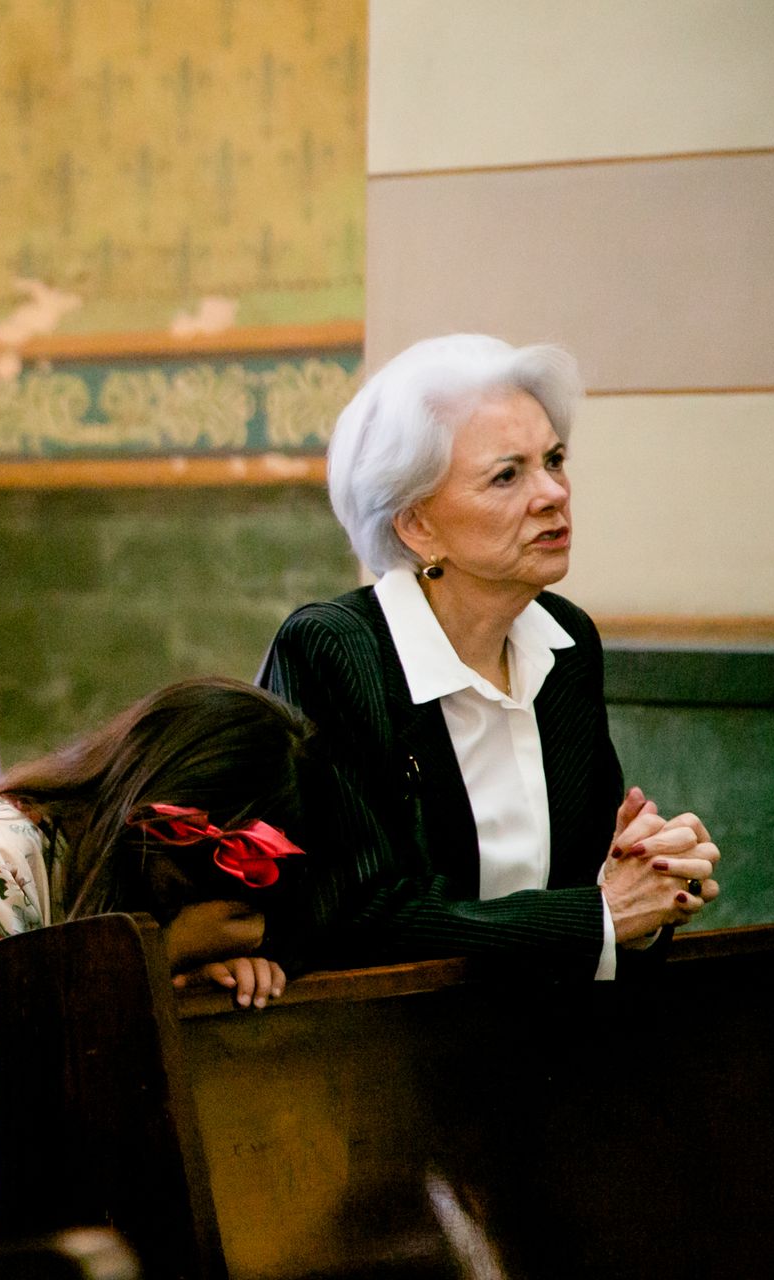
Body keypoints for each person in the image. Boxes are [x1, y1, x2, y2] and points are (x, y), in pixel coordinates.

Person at [257, 334, 719, 979]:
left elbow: (590, 898)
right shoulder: (333, 651)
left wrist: (645, 883)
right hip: (385, 1032)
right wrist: (599, 916)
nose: (552, 493)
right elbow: (350, 915)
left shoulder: (565, 640)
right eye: (507, 475)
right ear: (417, 524)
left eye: (554, 461)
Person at [0, 677, 311, 1264]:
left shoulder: (168, 883)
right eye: (181, 877)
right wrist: (158, 955)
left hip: (146, 1213)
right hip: (11, 1234)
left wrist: (217, 990)